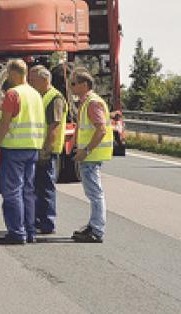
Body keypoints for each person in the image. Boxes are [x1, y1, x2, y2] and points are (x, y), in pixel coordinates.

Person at [0, 59, 46, 245]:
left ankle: (16, 232)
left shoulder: (13, 94)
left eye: (7, 73)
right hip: (33, 146)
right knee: (28, 190)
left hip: (14, 147)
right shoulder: (35, 94)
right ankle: (30, 231)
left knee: (12, 192)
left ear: (13, 73)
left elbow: (5, 123)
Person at [70, 69, 113, 243]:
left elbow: (101, 129)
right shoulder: (87, 102)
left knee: (95, 194)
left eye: (74, 83)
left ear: (84, 85)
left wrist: (86, 150)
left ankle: (96, 230)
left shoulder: (93, 103)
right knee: (93, 193)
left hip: (91, 155)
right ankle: (93, 225)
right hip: (89, 155)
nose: (71, 87)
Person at [28, 65, 67, 235]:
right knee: (38, 187)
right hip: (40, 148)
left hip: (47, 150)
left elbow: (54, 126)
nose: (30, 83)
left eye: (33, 80)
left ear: (44, 80)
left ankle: (47, 222)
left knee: (45, 188)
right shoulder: (42, 96)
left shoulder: (54, 98)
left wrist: (45, 149)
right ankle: (39, 220)